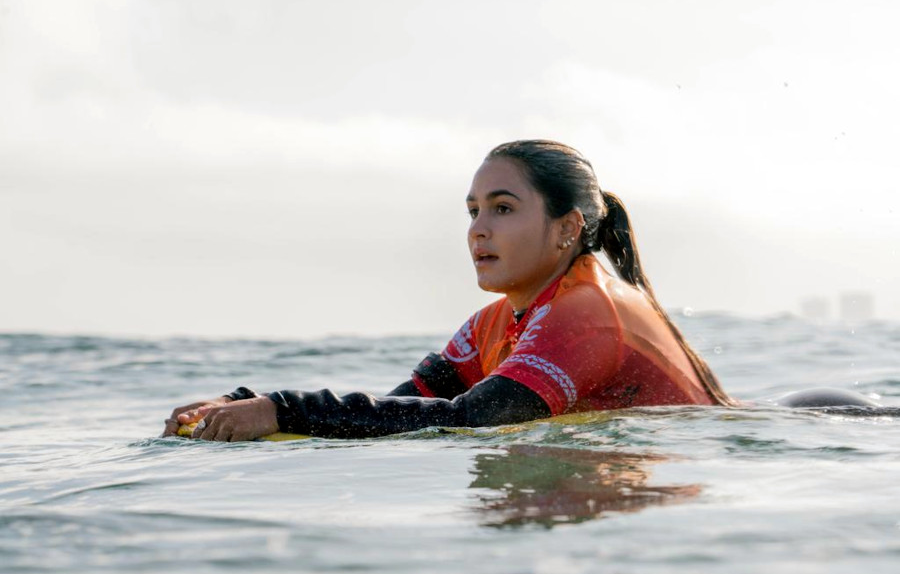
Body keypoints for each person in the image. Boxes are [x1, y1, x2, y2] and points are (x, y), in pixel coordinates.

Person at [161, 139, 740, 442]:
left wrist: (283, 408)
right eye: (472, 211)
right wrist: (245, 407)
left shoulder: (587, 310)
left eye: (503, 208)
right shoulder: (492, 324)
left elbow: (472, 421)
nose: (478, 229)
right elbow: (401, 411)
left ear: (567, 229)